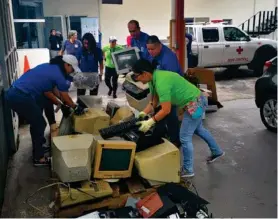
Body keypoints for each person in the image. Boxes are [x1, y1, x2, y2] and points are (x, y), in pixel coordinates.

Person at [131, 59, 224, 178]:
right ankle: (217, 151)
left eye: (136, 76)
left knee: (184, 137)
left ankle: (188, 169)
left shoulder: (161, 82)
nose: (137, 79)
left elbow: (166, 110)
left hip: (195, 103)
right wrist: (143, 113)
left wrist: (150, 121)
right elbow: (154, 101)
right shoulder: (153, 79)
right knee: (199, 129)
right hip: (194, 100)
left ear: (145, 73)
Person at [5, 55, 85, 166]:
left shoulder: (50, 67)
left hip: (15, 93)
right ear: (67, 65)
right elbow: (64, 95)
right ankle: (38, 158)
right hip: (20, 96)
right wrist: (74, 106)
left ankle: (39, 146)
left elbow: (50, 91)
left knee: (38, 117)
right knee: (39, 123)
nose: (72, 72)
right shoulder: (59, 75)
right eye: (72, 69)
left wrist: (61, 103)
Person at [146, 35, 183, 146]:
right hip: (160, 87)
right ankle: (160, 136)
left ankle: (175, 140)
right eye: (148, 49)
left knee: (170, 113)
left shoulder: (168, 58)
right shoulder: (153, 55)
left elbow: (170, 81)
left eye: (152, 49)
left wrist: (159, 98)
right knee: (160, 112)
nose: (150, 52)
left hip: (172, 89)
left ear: (159, 46)